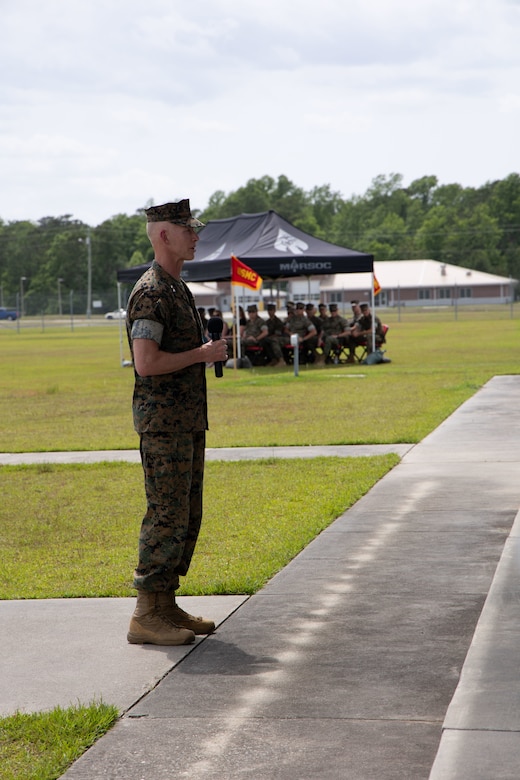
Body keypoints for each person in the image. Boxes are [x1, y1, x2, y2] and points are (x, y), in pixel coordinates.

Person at [125, 199, 228, 646]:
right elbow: (145, 363)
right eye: (187, 229)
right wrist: (203, 355)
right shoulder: (150, 291)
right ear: (163, 235)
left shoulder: (177, 288)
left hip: (185, 421)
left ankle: (165, 605)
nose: (195, 236)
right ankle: (145, 614)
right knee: (166, 514)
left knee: (186, 514)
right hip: (163, 425)